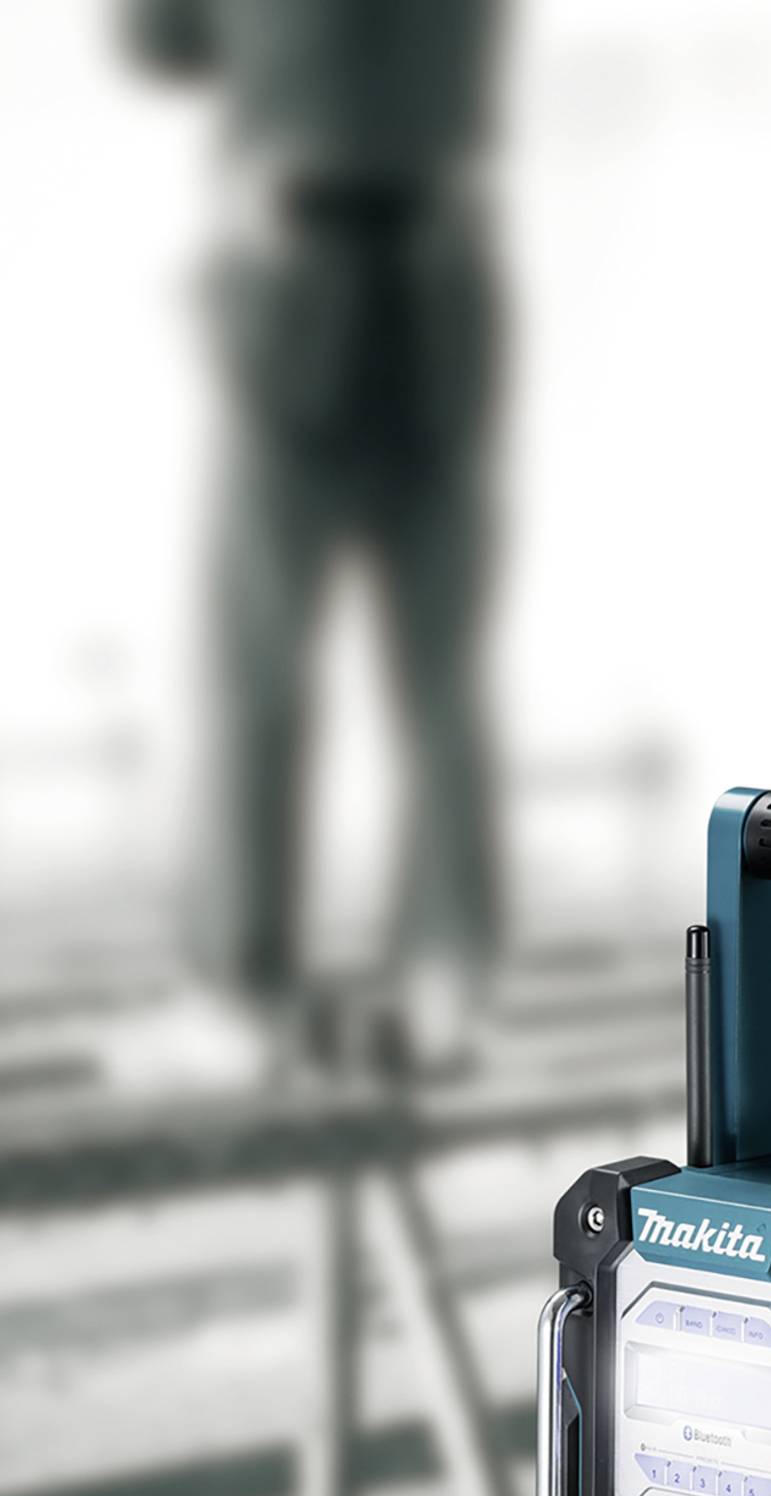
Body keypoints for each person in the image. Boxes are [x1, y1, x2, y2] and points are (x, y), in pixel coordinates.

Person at [122, 0, 507, 1083]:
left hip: (301, 268)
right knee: (440, 667)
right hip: (442, 265)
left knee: (258, 657)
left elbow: (154, 41)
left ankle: (245, 991)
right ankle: (446, 979)